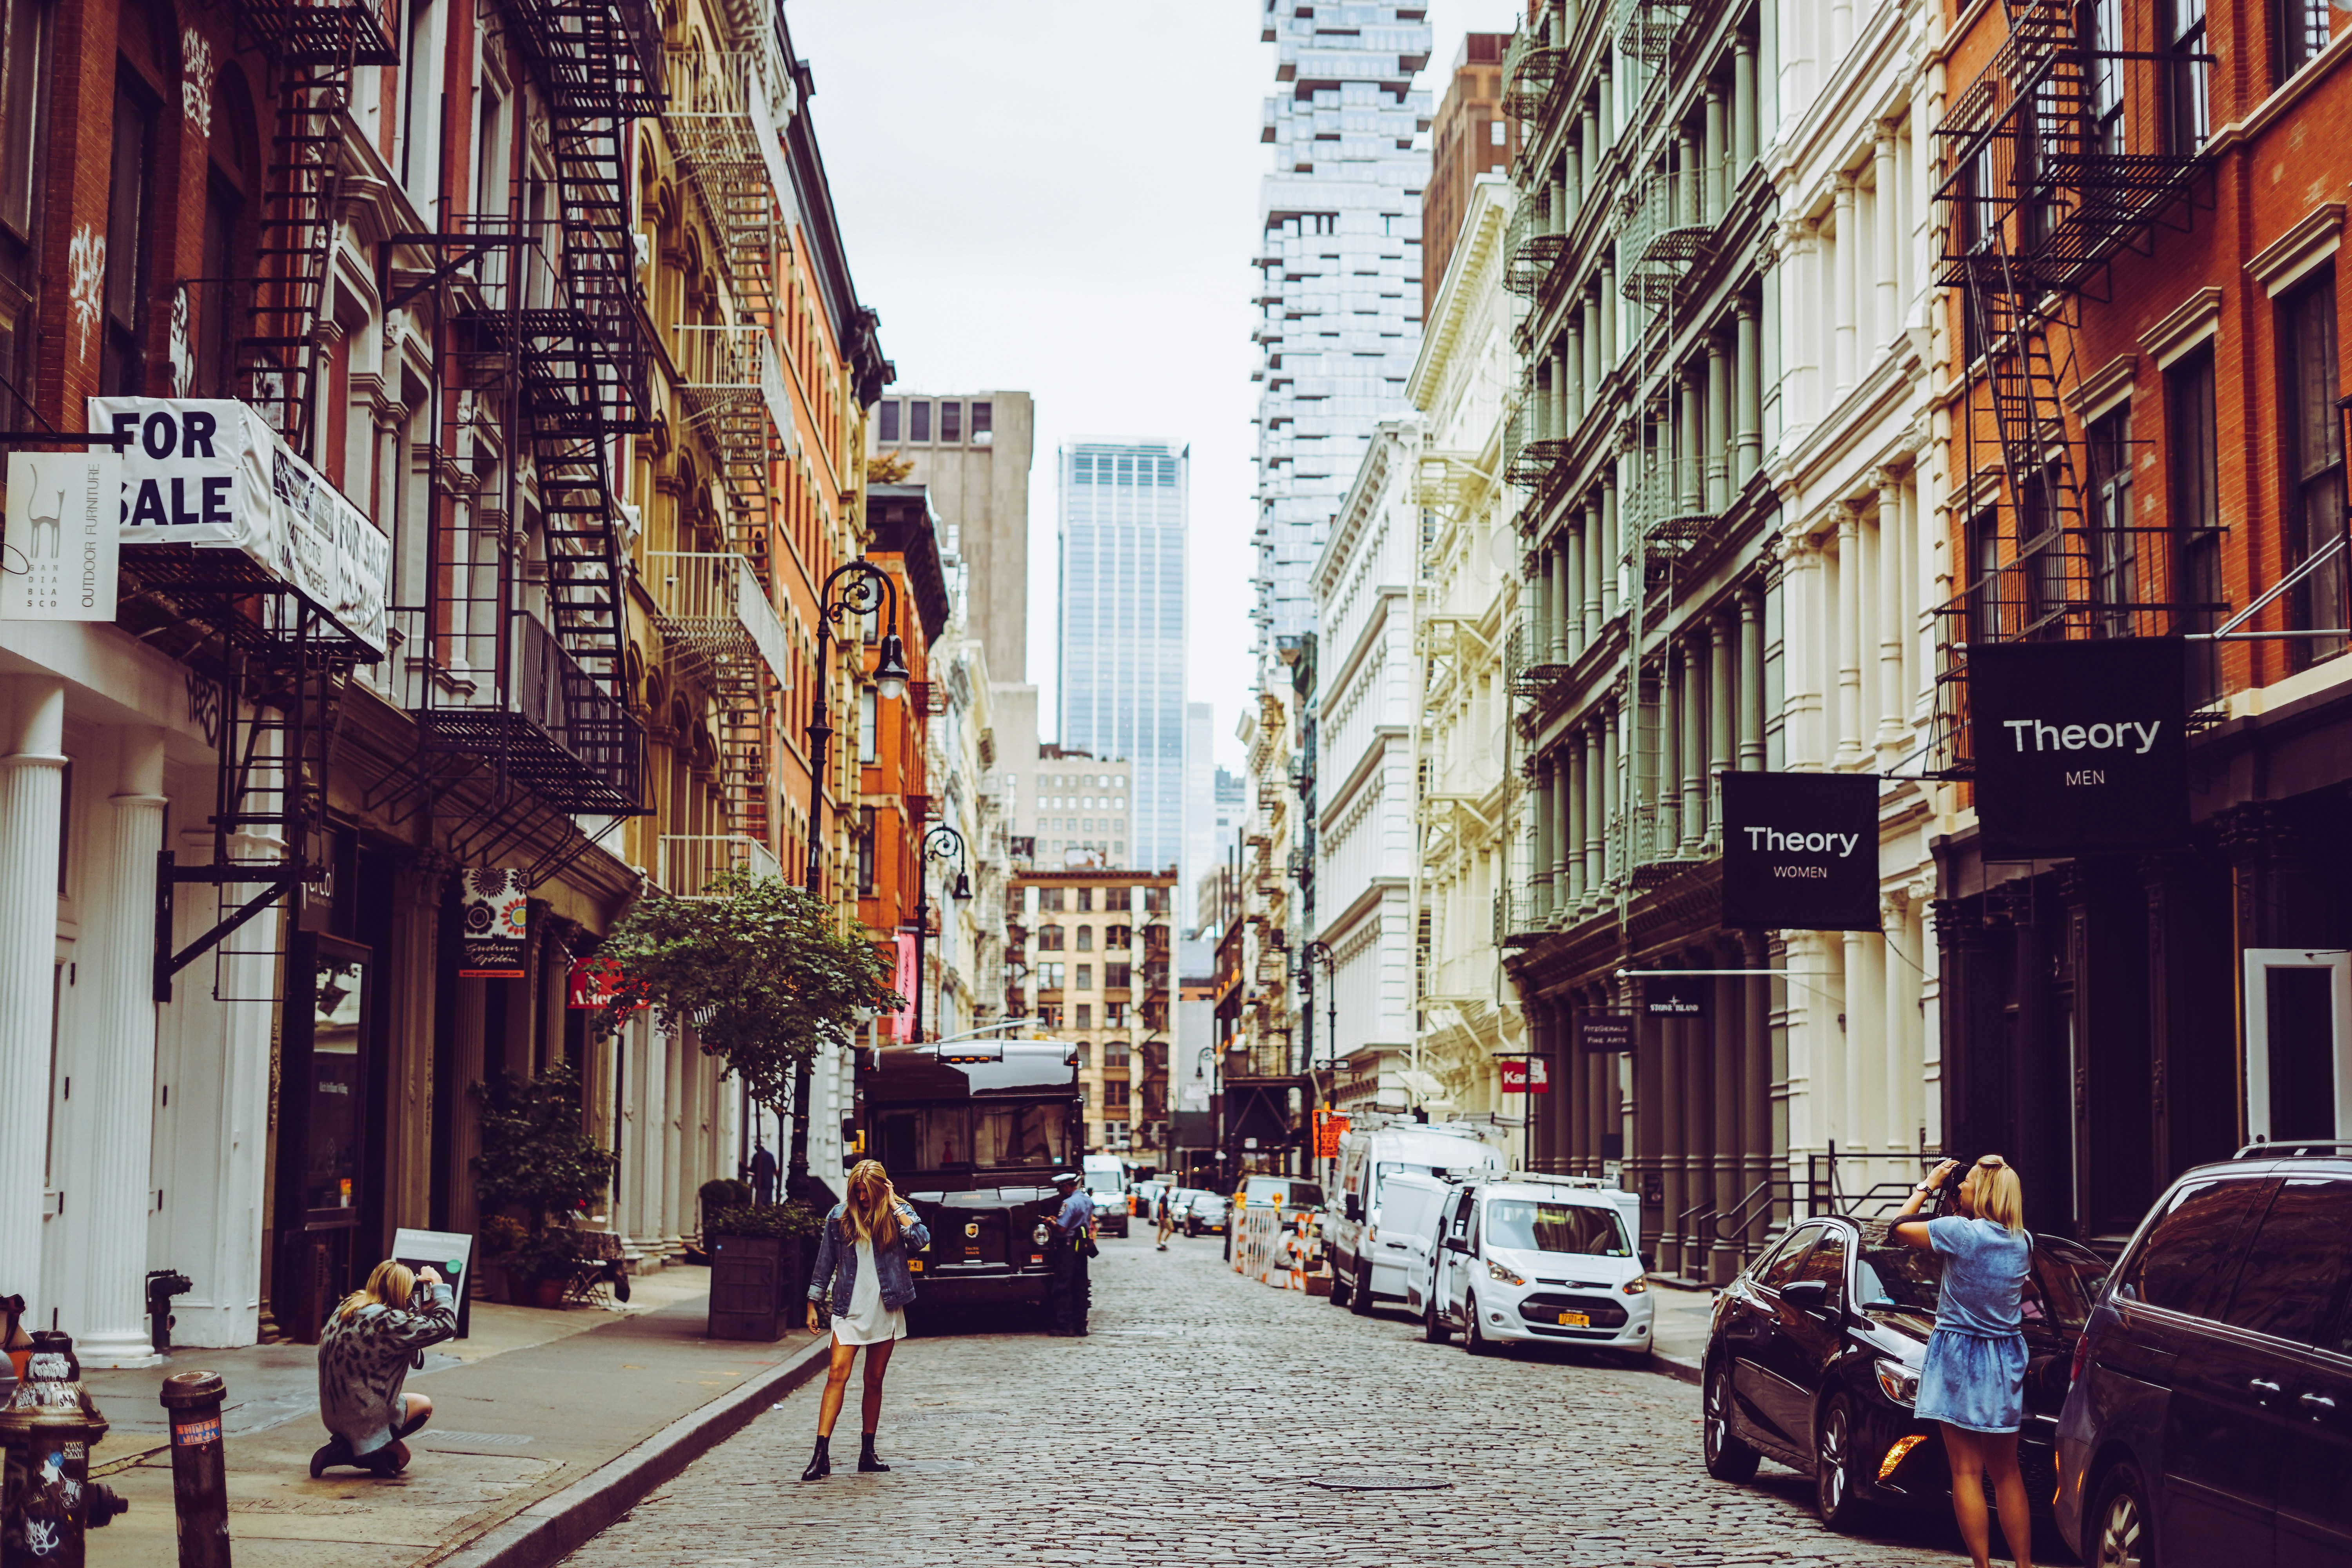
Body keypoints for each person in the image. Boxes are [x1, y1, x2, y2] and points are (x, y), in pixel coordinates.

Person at [1892, 1155, 2034, 1568]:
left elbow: (1898, 1228)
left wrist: (1929, 1184)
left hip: (1958, 1354)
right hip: (2003, 1356)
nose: (1960, 1188)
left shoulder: (1961, 1233)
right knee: (2006, 1471)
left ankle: (1983, 1567)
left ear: (1984, 1191)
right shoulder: (2023, 1241)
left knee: (1967, 1471)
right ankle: (2024, 1566)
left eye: (1967, 1183)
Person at [800, 1158, 929, 1481]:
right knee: (836, 1374)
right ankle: (821, 1455)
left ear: (880, 1189)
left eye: (867, 1191)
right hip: (849, 1309)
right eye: (857, 1191)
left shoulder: (898, 1213)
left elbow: (920, 1240)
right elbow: (825, 1261)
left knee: (874, 1379)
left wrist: (894, 1204)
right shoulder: (839, 1216)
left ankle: (867, 1453)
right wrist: (813, 1301)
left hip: (885, 1306)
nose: (862, 1197)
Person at [310, 1260, 457, 1478]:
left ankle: (350, 1447)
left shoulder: (350, 1305)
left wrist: (420, 1311)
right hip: (363, 1415)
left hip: (333, 1416)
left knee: (401, 1456)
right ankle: (345, 1452)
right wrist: (439, 1285)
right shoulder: (389, 1321)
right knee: (422, 1409)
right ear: (403, 1291)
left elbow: (394, 1328)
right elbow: (447, 1326)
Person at [1045, 1169, 1095, 1336]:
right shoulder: (1086, 1200)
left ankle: (1065, 1326)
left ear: (1066, 1187)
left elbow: (1062, 1228)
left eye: (1060, 1189)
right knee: (1080, 1286)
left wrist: (1051, 1222)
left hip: (1068, 1249)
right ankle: (1081, 1326)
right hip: (1082, 1247)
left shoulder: (1068, 1203)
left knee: (1063, 1286)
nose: (1060, 1192)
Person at [748, 1140, 779, 1207]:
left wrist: (744, 1167)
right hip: (770, 1183)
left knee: (760, 1203)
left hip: (761, 1184)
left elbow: (753, 1169)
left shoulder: (757, 1156)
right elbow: (775, 1170)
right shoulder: (770, 1155)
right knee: (769, 1203)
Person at [1154, 1184, 1175, 1251]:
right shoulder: (1163, 1197)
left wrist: (1170, 1212)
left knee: (1162, 1230)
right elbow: (1161, 1206)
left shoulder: (1165, 1197)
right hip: (1164, 1217)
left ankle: (1160, 1243)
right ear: (1168, 1189)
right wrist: (1162, 1216)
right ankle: (1163, 1242)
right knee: (1171, 1229)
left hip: (1164, 1216)